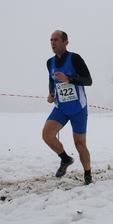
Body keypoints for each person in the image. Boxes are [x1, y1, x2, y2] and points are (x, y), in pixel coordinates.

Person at [42, 30, 93, 185]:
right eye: (51, 40)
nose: (53, 42)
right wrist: (51, 93)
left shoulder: (75, 58)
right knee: (47, 135)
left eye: (56, 40)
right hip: (61, 108)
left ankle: (88, 174)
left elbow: (88, 81)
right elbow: (52, 80)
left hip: (78, 108)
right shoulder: (49, 62)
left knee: (80, 144)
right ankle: (65, 159)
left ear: (65, 42)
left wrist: (69, 79)